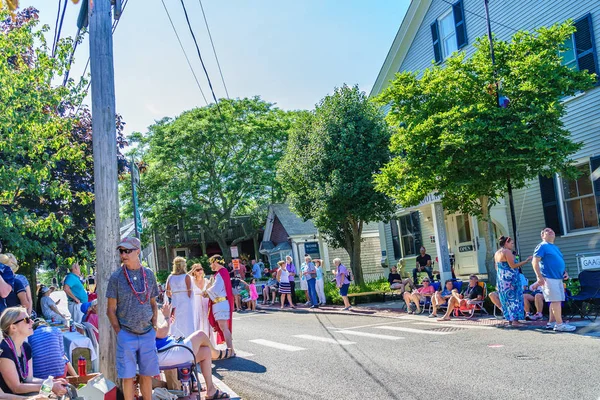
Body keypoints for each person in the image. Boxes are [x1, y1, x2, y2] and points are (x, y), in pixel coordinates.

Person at [106, 237, 160, 400]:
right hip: (126, 334)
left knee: (146, 374)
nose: (123, 254)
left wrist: (154, 325)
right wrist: (119, 331)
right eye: (121, 251)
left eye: (127, 251)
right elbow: (110, 309)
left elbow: (153, 303)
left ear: (138, 251)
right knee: (127, 376)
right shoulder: (116, 277)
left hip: (147, 333)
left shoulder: (149, 275)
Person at [155, 303, 230, 399]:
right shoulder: (141, 313)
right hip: (168, 353)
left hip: (168, 351)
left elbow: (158, 333)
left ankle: (211, 390)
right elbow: (161, 333)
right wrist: (166, 317)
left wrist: (168, 320)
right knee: (200, 335)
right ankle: (217, 354)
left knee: (206, 351)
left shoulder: (139, 311)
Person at [0, 307, 68, 396]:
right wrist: (50, 387)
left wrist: (53, 382)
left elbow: (29, 379)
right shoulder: (3, 350)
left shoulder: (26, 347)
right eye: (26, 320)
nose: (32, 322)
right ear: (13, 327)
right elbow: (16, 387)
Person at [532, 228, 576, 332]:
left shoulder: (555, 247)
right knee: (556, 301)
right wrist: (539, 277)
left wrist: (564, 272)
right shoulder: (542, 246)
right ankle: (560, 325)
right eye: (547, 230)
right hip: (549, 278)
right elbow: (535, 261)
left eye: (552, 230)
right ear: (543, 236)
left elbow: (558, 262)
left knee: (555, 301)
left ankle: (551, 323)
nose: (551, 231)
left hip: (558, 278)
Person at [494, 236, 532, 326]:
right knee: (514, 298)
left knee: (506, 299)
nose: (512, 245)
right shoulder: (507, 251)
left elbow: (496, 267)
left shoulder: (497, 253)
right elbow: (513, 265)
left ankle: (510, 320)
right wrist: (525, 261)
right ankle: (515, 321)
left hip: (501, 279)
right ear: (506, 242)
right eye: (511, 243)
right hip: (510, 279)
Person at [205, 255, 235, 354]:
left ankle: (231, 350)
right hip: (220, 303)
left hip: (220, 303)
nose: (210, 265)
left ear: (215, 262)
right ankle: (231, 349)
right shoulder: (221, 273)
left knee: (224, 327)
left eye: (211, 263)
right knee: (223, 327)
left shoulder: (221, 272)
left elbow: (216, 289)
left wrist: (205, 292)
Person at [165, 257, 195, 338]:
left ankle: (176, 337)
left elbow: (167, 292)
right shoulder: (186, 276)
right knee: (186, 320)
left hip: (175, 301)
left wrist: (174, 295)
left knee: (176, 320)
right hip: (185, 301)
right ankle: (188, 337)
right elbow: (190, 292)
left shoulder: (170, 277)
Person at [189, 264, 215, 347]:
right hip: (195, 305)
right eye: (197, 270)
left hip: (205, 303)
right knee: (197, 322)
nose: (200, 271)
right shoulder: (191, 281)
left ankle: (208, 344)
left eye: (201, 269)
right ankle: (197, 344)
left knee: (207, 322)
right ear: (194, 272)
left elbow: (211, 291)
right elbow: (185, 276)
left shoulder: (207, 281)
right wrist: (193, 270)